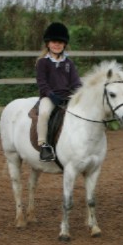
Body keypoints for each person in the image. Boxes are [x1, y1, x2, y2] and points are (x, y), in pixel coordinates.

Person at [36, 22, 82, 161]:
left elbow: (75, 82)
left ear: (64, 44)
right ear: (48, 44)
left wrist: (79, 93)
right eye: (54, 42)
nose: (57, 45)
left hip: (67, 97)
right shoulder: (43, 62)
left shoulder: (69, 63)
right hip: (49, 97)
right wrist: (51, 95)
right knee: (44, 114)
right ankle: (44, 145)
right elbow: (42, 83)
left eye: (60, 42)